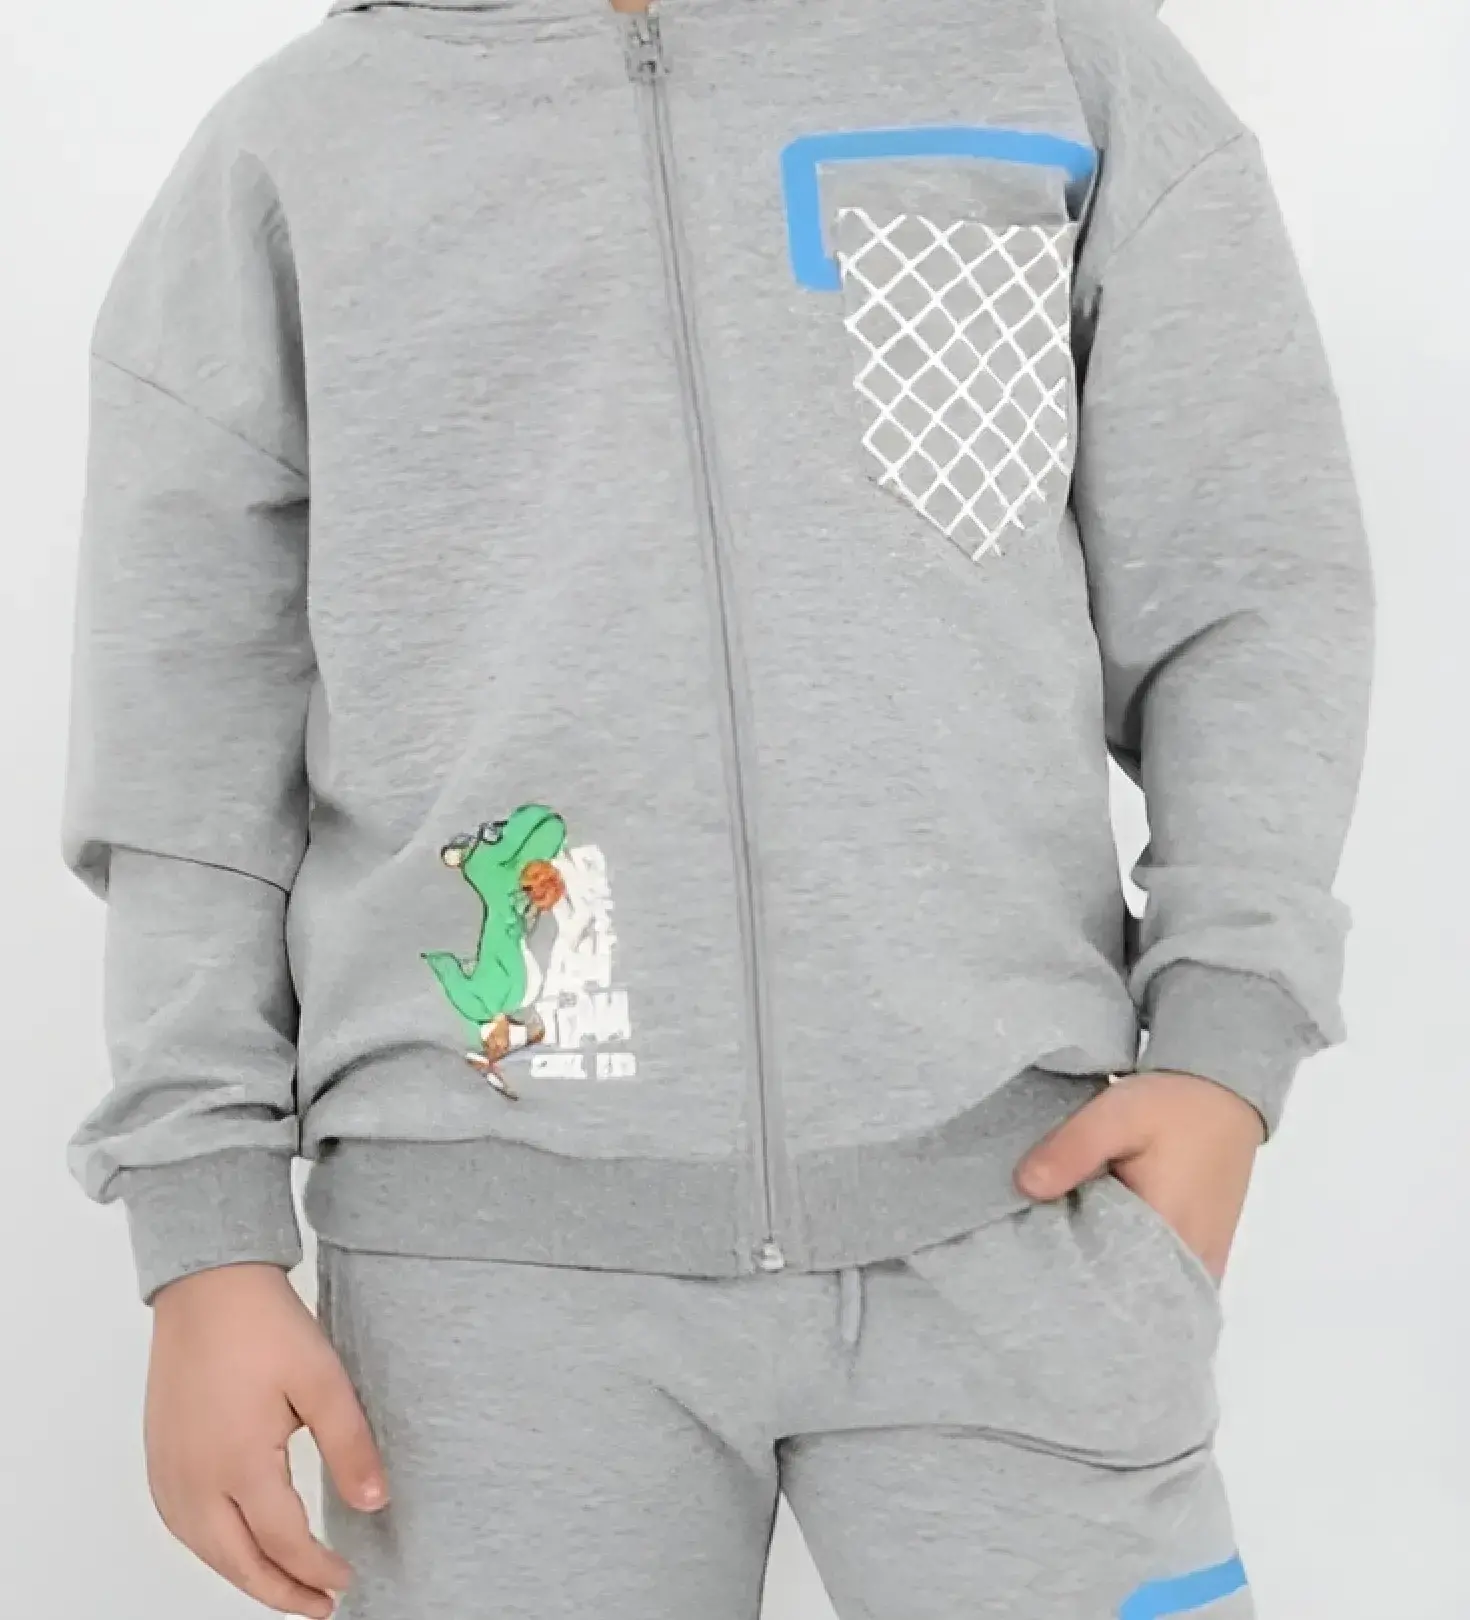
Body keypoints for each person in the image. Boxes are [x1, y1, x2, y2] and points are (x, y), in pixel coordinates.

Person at [64, 0, 1372, 1614]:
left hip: (1019, 1208)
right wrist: (205, 1235)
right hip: (486, 1289)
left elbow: (1250, 587)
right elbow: (186, 732)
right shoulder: (297, 148)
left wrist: (1225, 1043)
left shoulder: (1046, 56)